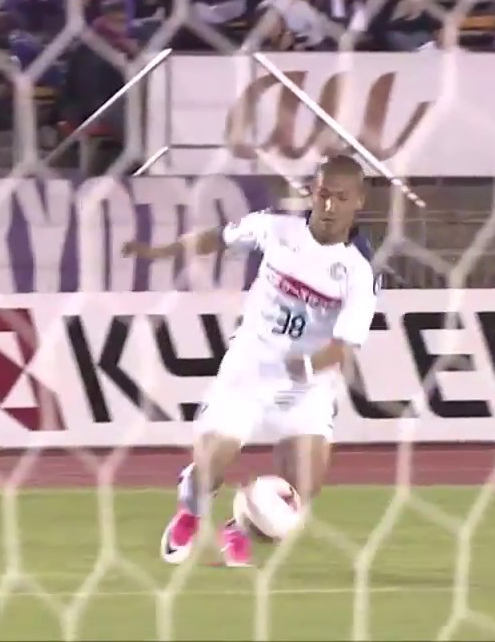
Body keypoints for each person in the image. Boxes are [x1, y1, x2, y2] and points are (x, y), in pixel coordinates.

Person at [122, 155, 378, 568]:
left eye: (341, 198)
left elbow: (346, 345)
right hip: (252, 367)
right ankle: (190, 512)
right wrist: (160, 252)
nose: (329, 206)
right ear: (312, 192)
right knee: (212, 464)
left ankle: (237, 528)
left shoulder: (360, 269)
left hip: (307, 384)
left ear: (359, 201)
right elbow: (218, 238)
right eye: (323, 194)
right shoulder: (277, 226)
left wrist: (307, 366)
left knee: (300, 493)